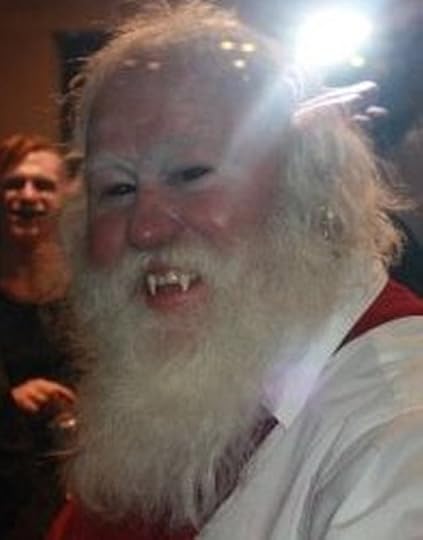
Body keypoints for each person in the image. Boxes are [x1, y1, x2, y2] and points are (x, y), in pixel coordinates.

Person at [48, 2, 423, 539]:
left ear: (311, 185)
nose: (145, 229)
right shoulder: (184, 386)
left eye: (191, 174)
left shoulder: (399, 429)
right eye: (118, 188)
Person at [0, 134, 78, 540]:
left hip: (80, 494)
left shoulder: (90, 291)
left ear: (64, 196)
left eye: (43, 185)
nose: (28, 196)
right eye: (14, 184)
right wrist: (9, 402)